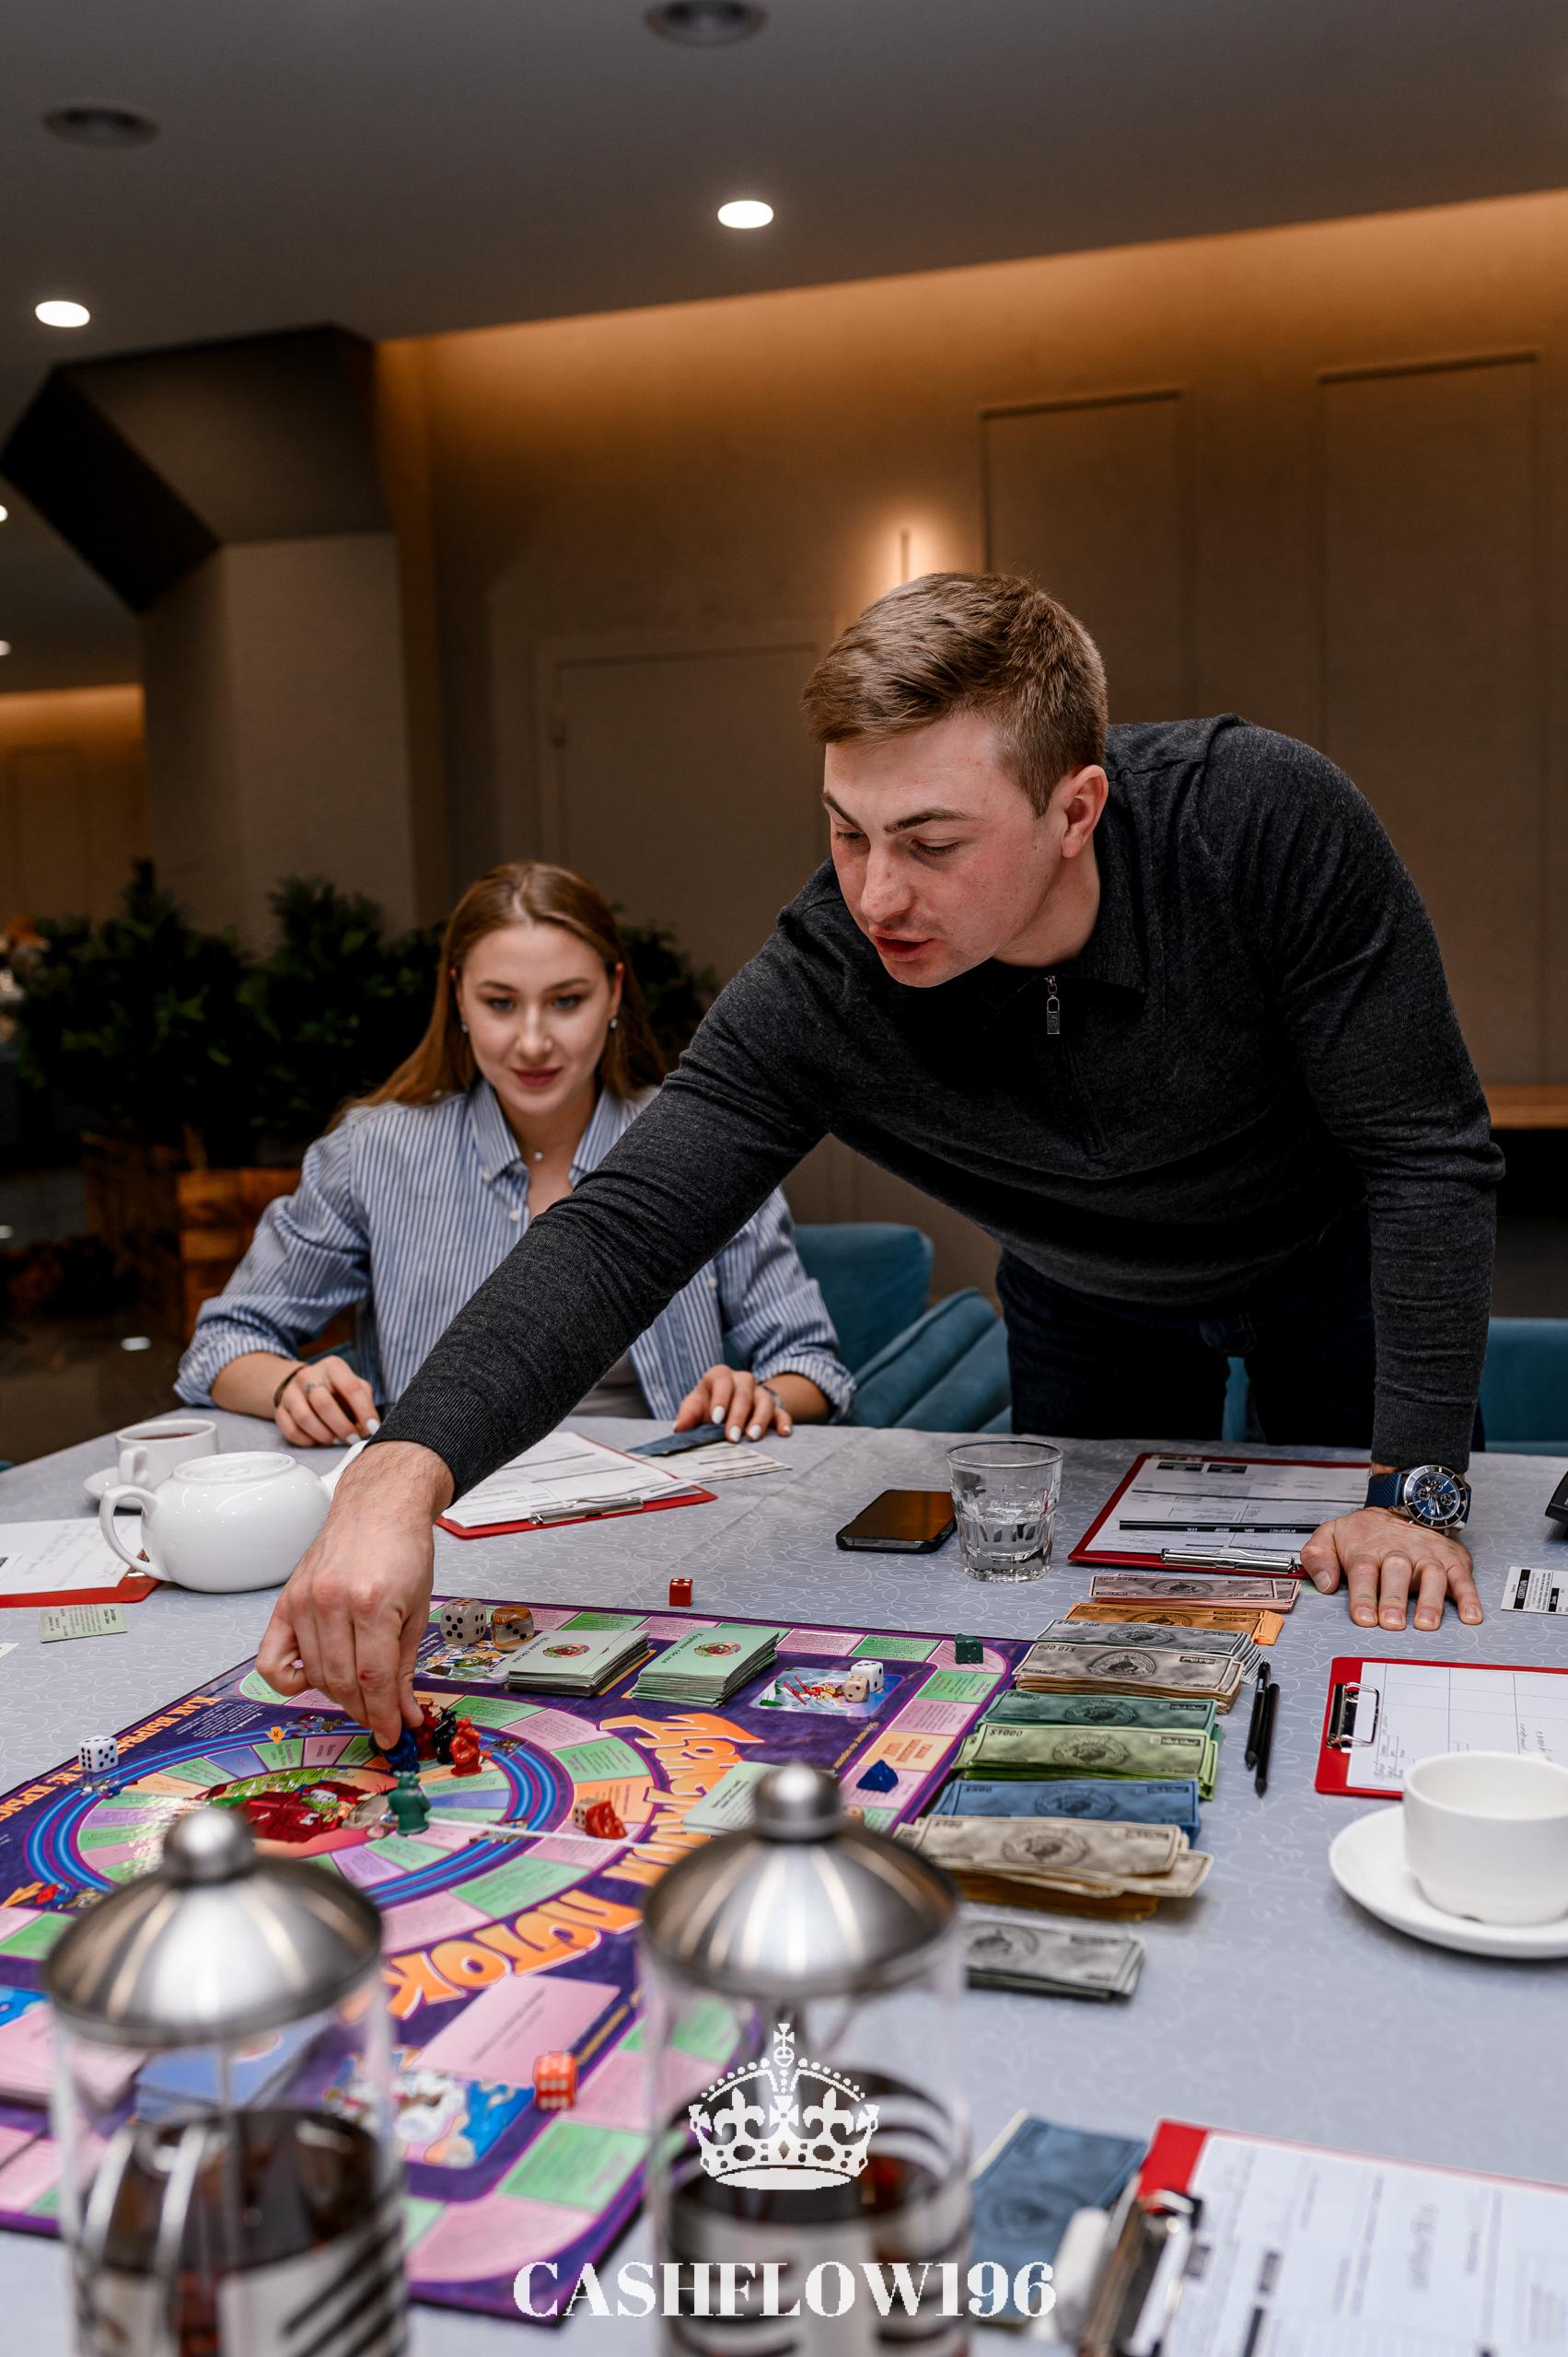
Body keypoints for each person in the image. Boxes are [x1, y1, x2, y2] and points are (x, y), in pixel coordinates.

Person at [261, 574, 1502, 1745]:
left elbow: (1424, 1156)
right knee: (1092, 1643)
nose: (875, 897)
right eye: (846, 833)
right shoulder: (829, 979)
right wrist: (394, 1478)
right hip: (1085, 1301)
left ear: (1075, 810)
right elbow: (623, 1225)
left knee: (1389, 1599)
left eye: (931, 842)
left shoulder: (1256, 821)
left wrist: (1415, 1496)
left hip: (1336, 1274)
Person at [177, 861, 851, 1448]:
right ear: (459, 998)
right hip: (445, 1516)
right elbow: (222, 1345)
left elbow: (811, 1365)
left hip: (665, 1507)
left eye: (566, 1001)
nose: (532, 1042)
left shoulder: (706, 1140)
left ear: (614, 993)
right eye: (500, 1003)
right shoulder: (373, 1155)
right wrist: (292, 1386)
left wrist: (760, 1396)